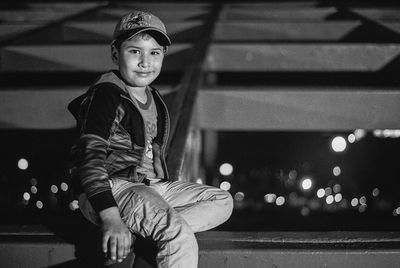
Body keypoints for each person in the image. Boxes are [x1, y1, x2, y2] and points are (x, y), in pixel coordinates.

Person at [68, 10, 233, 267]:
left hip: (149, 185)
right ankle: (167, 232)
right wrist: (111, 218)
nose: (146, 62)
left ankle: (150, 231)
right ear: (115, 53)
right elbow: (89, 158)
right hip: (113, 189)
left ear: (163, 56)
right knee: (178, 235)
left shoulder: (154, 97)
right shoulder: (106, 95)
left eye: (154, 53)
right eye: (135, 51)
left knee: (222, 201)